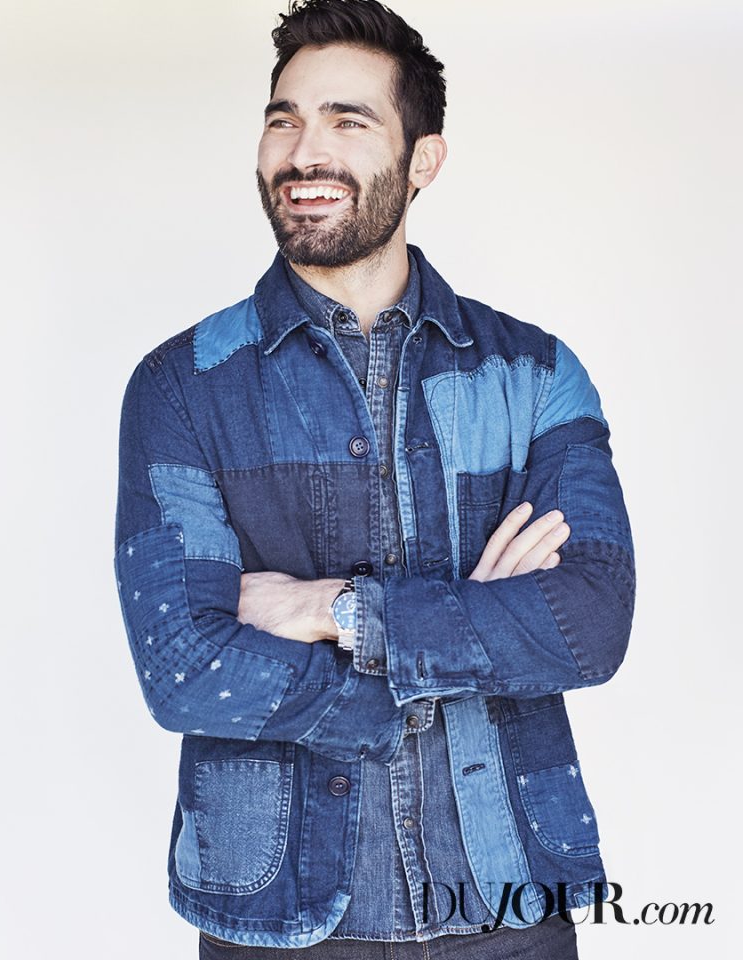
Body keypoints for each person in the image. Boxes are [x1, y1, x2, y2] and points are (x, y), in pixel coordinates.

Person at [114, 1, 635, 957]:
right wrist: (468, 632)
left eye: (348, 120)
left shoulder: (534, 374)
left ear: (423, 158)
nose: (304, 152)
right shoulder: (180, 386)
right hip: (278, 917)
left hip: (507, 902)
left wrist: (337, 611)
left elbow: (592, 622)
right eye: (284, 118)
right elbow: (184, 671)